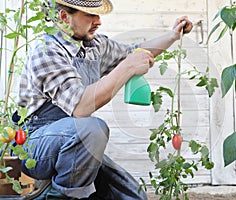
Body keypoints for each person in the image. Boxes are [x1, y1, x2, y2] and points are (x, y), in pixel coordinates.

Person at [16, 0, 193, 199]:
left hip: (75, 140)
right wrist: (127, 68)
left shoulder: (94, 46)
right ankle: (54, 196)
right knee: (92, 128)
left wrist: (173, 35)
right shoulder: (47, 50)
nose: (98, 21)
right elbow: (81, 107)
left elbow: (135, 53)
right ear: (64, 17)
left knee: (132, 196)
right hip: (34, 146)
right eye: (90, 15)